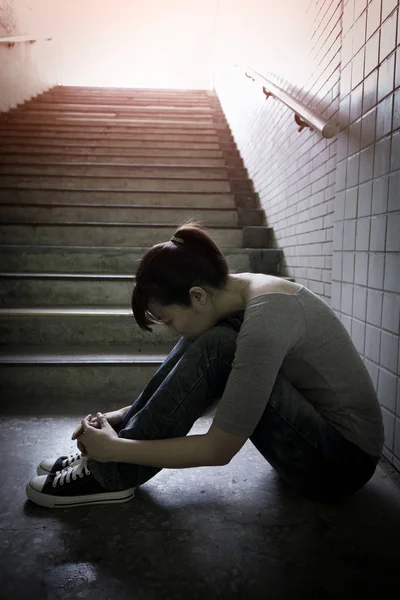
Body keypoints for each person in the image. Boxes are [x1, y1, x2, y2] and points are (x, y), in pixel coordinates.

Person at [26, 222, 384, 509]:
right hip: (317, 444)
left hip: (341, 466)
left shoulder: (268, 318)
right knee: (216, 339)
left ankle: (111, 473)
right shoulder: (240, 293)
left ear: (197, 295)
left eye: (166, 320)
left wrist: (115, 449)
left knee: (217, 344)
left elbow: (219, 449)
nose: (171, 331)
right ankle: (114, 451)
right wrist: (123, 416)